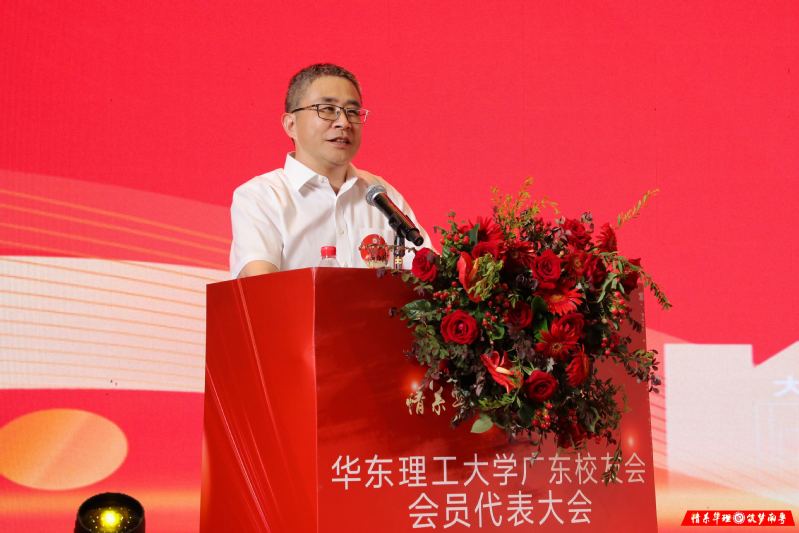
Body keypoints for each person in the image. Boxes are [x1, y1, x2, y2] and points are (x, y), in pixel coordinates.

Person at [230, 63, 431, 278]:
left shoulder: (381, 194)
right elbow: (259, 286)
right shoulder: (262, 197)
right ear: (291, 125)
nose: (344, 123)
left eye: (352, 112)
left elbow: (433, 275)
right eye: (326, 109)